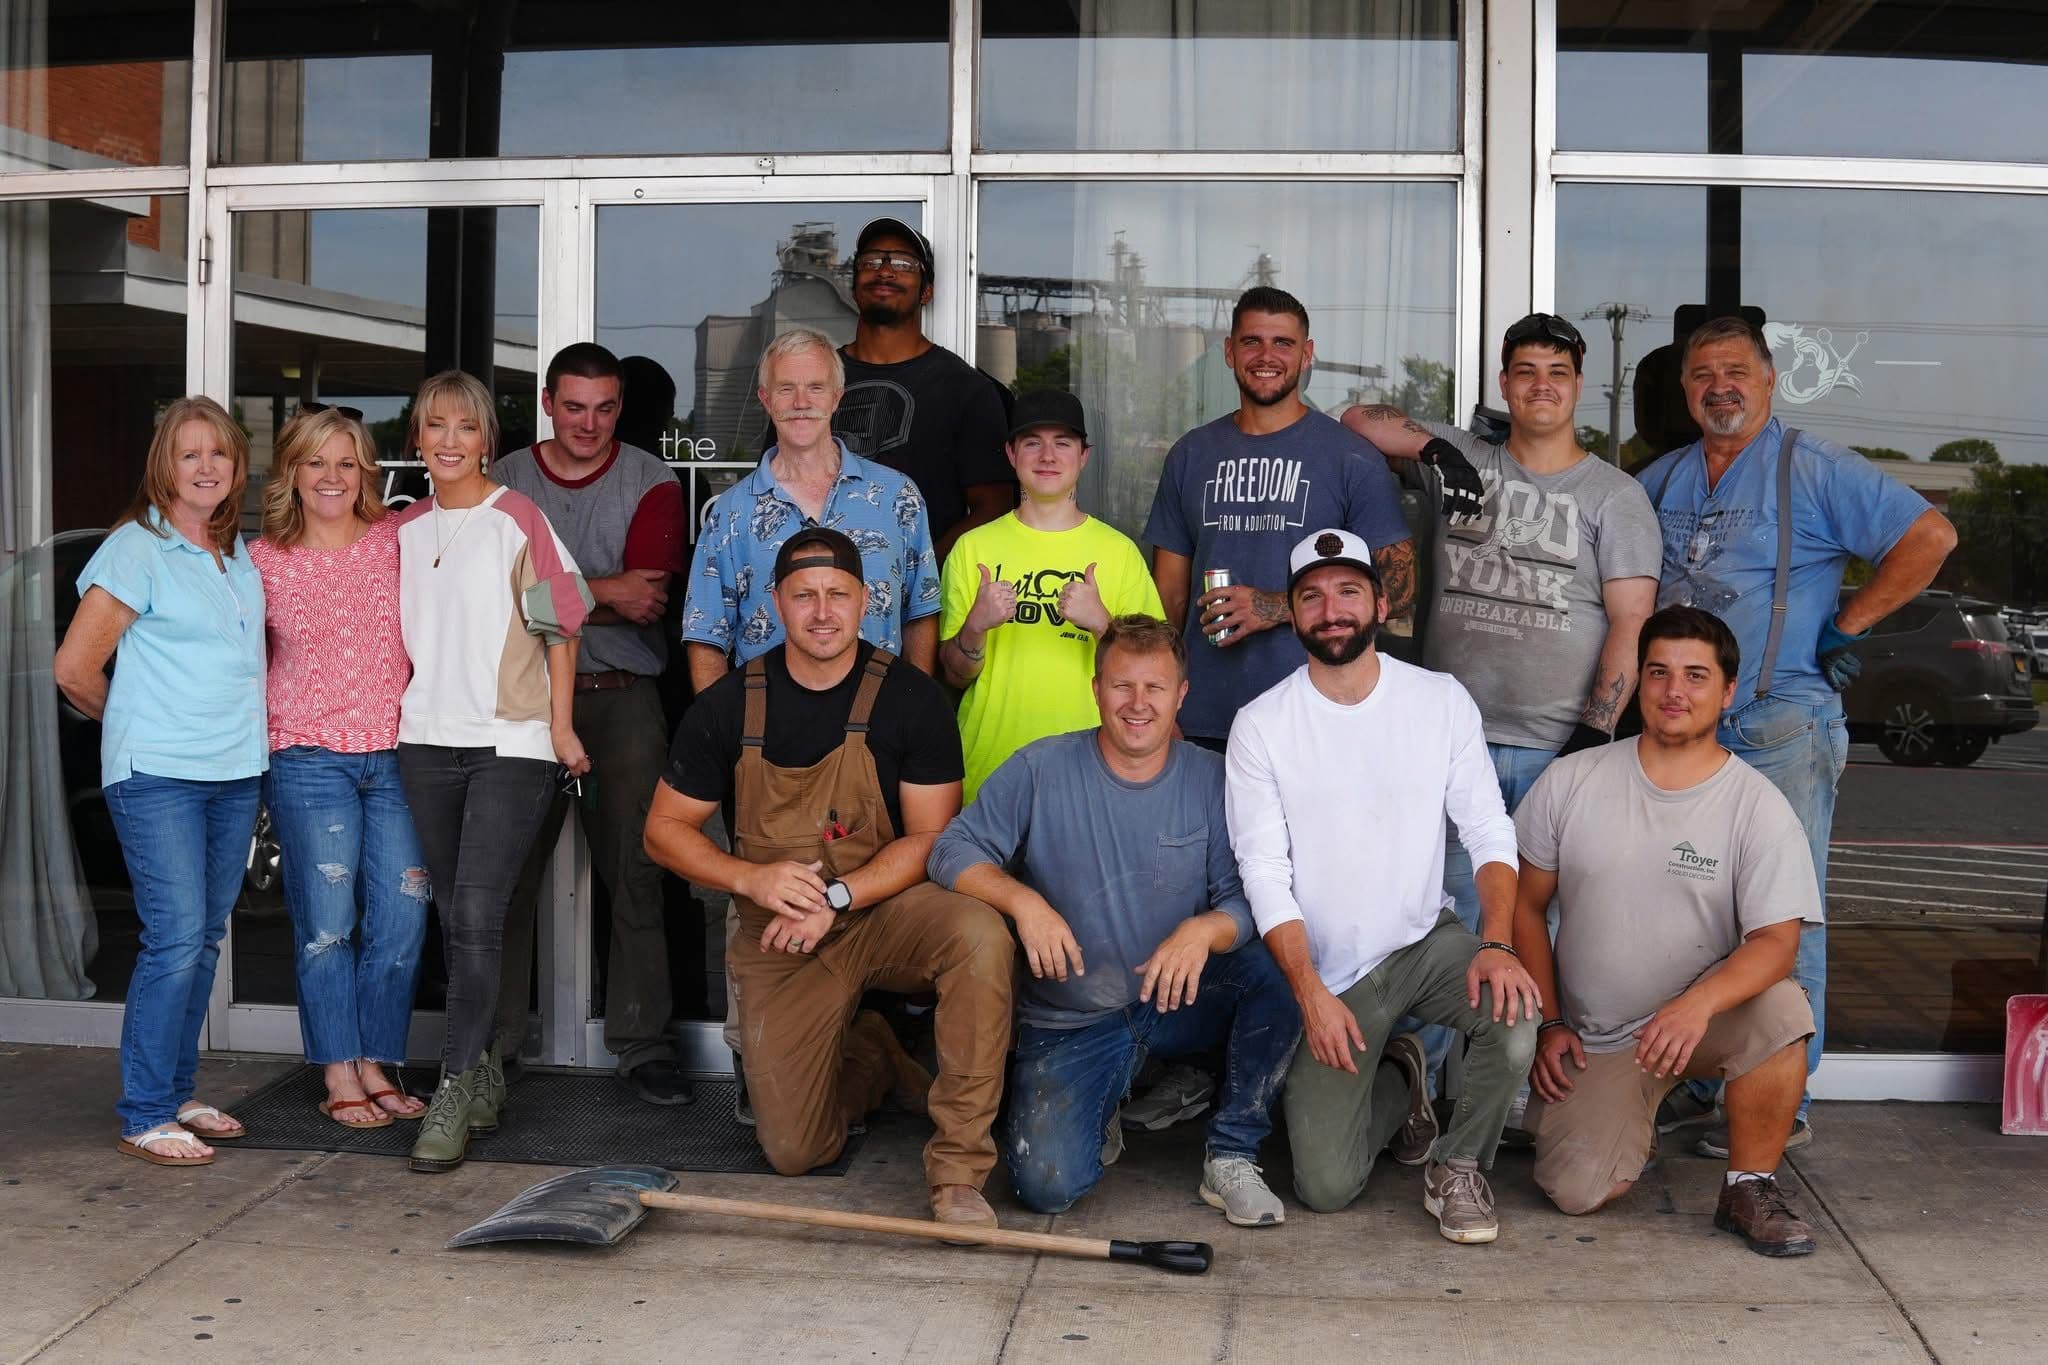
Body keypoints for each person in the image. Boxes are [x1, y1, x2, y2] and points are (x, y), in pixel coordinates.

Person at [1635, 314, 1956, 1154]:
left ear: (1770, 381)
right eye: (1702, 374)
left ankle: (1783, 1104)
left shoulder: (1807, 465)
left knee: (1784, 915)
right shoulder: (1663, 478)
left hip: (1781, 723)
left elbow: (1929, 536)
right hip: (1683, 732)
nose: (1720, 387)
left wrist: (1848, 622)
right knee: (1694, 909)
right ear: (1684, 390)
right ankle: (1706, 1081)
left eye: (1736, 371)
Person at [648, 527, 1014, 1229]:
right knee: (794, 1150)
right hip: (780, 930)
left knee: (979, 933)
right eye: (805, 595)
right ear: (777, 602)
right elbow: (662, 831)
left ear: (866, 600)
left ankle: (960, 1170)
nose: (822, 611)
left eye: (838, 594)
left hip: (882, 909)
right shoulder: (729, 704)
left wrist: (840, 896)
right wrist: (752, 880)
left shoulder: (911, 698)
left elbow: (934, 839)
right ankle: (874, 1054)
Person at [1341, 314, 1661, 1103]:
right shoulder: (1465, 458)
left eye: (1557, 370)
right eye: (1525, 370)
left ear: (1579, 383)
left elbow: (1631, 620)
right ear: (1505, 383)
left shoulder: (1613, 496)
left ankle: (1517, 1095)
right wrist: (1436, 448)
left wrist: (1595, 731)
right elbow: (1355, 420)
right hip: (1455, 745)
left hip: (1560, 746)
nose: (1541, 384)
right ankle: (1420, 1094)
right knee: (1438, 919)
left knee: (1540, 927)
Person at [930, 615, 1300, 1225]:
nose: (1137, 704)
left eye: (1155, 688)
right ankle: (1111, 1095)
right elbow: (950, 850)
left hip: (1174, 1000)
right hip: (1069, 1020)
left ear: (1182, 695)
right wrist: (1025, 903)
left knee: (1277, 969)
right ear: (1096, 688)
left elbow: (1250, 899)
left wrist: (1201, 929)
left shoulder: (1213, 778)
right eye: (1122, 686)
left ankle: (1232, 1153)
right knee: (1048, 1187)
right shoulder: (1040, 768)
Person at [1226, 528, 1540, 1244]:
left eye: (1347, 590)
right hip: (1333, 975)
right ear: (1294, 611)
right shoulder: (1262, 725)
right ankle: (1400, 1080)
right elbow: (1265, 872)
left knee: (1513, 1016)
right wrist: (1309, 992)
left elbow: (1489, 829)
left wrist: (1495, 941)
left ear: (1379, 598)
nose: (1331, 609)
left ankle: (1457, 1165)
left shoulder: (1438, 699)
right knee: (1325, 1187)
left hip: (1424, 940)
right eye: (1312, 596)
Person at [1512, 606, 1823, 1257]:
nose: (1673, 691)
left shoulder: (1757, 806)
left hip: (1700, 1018)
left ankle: (1749, 1185)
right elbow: (1523, 904)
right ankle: (1630, 1122)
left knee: (1782, 1005)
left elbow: (1777, 943)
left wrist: (1695, 1005)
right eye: (1658, 672)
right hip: (1597, 1036)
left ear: (1727, 690)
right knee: (1577, 1192)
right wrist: (1550, 1021)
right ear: (1639, 681)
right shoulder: (1573, 780)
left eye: (1695, 675)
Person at [391, 369, 593, 1173]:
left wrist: (562, 724)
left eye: (464, 428)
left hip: (512, 742)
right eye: (434, 426)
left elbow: (564, 627)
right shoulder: (400, 530)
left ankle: (451, 1085)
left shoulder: (519, 518)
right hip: (425, 740)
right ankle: (480, 1073)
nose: (448, 441)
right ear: (416, 438)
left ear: (487, 440)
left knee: (476, 910)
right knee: (455, 914)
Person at [56, 396, 267, 1166]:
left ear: (237, 464)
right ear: (164, 467)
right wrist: (140, 723)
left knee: (204, 938)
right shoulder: (135, 549)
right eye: (189, 453)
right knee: (174, 937)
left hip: (233, 771)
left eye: (218, 452)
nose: (205, 465)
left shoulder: (232, 552)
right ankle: (144, 1108)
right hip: (160, 776)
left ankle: (176, 1090)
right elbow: (74, 670)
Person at [492, 343, 691, 1106]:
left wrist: (548, 588)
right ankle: (492, 1046)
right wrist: (597, 587)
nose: (590, 422)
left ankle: (644, 1044)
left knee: (639, 867)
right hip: (521, 695)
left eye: (605, 407)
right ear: (547, 402)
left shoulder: (650, 478)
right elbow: (495, 597)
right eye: (574, 406)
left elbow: (646, 597)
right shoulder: (507, 477)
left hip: (620, 692)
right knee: (504, 875)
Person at [248, 407, 429, 1130]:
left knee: (402, 918)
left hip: (396, 754)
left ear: (366, 473)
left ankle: (376, 1057)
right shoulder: (262, 559)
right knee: (327, 924)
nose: (331, 477)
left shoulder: (398, 539)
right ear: (291, 470)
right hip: (307, 755)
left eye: (346, 463)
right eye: (316, 462)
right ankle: (336, 1065)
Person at [1144, 286, 1416, 753]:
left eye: (1283, 343)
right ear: (1229, 351)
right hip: (1204, 718)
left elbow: (1401, 590)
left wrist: (1274, 606)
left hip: (1317, 718)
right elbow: (1168, 596)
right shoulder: (1191, 454)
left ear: (1306, 354)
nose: (1266, 356)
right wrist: (1160, 701)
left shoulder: (1350, 457)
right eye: (1251, 341)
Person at [683, 327, 941, 693]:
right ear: (765, 399)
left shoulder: (897, 496)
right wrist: (725, 736)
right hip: (767, 732)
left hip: (880, 723)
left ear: (836, 398)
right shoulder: (731, 513)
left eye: (815, 387)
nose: (800, 402)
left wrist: (916, 711)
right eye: (786, 388)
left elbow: (921, 613)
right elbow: (705, 637)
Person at [940, 389, 1163, 801]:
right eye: (1032, 443)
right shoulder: (973, 549)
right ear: (1010, 454)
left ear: (1084, 456)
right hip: (991, 771)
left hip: (1093, 776)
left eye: (1062, 443)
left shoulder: (1119, 552)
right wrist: (975, 626)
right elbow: (954, 674)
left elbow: (1154, 673)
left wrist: (1102, 624)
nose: (1047, 456)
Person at [833, 216, 1014, 559]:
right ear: (854, 285)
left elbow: (993, 507)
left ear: (927, 291)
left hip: (920, 605)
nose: (884, 271)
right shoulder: (811, 379)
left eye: (903, 264)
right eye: (871, 261)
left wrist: (919, 578)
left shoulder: (967, 388)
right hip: (813, 593)